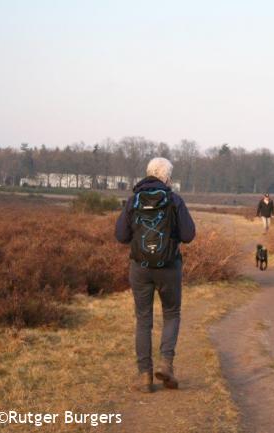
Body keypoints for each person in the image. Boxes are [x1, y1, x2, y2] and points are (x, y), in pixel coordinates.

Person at [115, 157, 196, 393]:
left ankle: (145, 377)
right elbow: (189, 234)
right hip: (169, 267)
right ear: (166, 177)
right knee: (171, 314)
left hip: (140, 268)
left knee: (143, 320)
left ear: (148, 173)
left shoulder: (134, 200)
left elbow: (120, 235)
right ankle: (166, 364)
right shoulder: (174, 200)